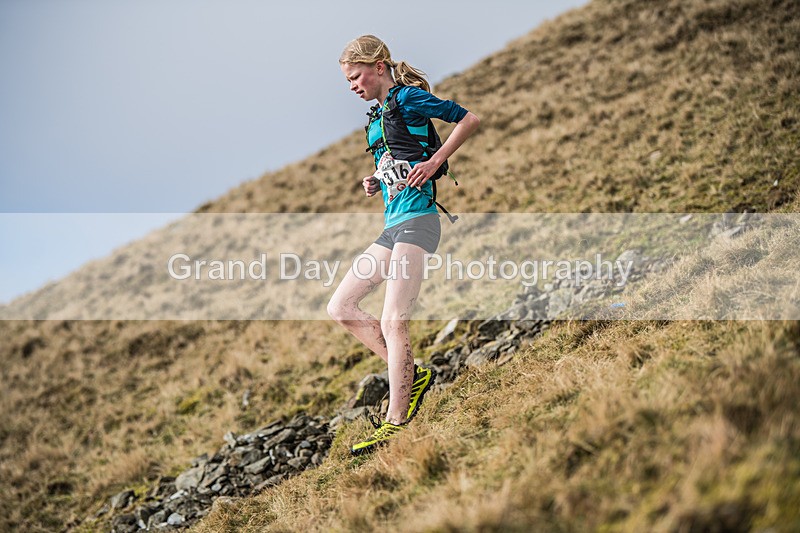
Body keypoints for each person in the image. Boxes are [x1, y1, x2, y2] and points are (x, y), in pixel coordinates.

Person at [328, 35, 480, 455]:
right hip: (392, 225)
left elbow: (468, 119)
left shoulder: (409, 98)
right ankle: (412, 374)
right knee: (340, 307)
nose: (353, 86)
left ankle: (397, 422)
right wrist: (376, 179)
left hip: (419, 222)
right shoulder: (379, 114)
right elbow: (397, 157)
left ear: (379, 67)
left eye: (356, 77)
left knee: (394, 320)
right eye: (347, 82)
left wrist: (434, 163)